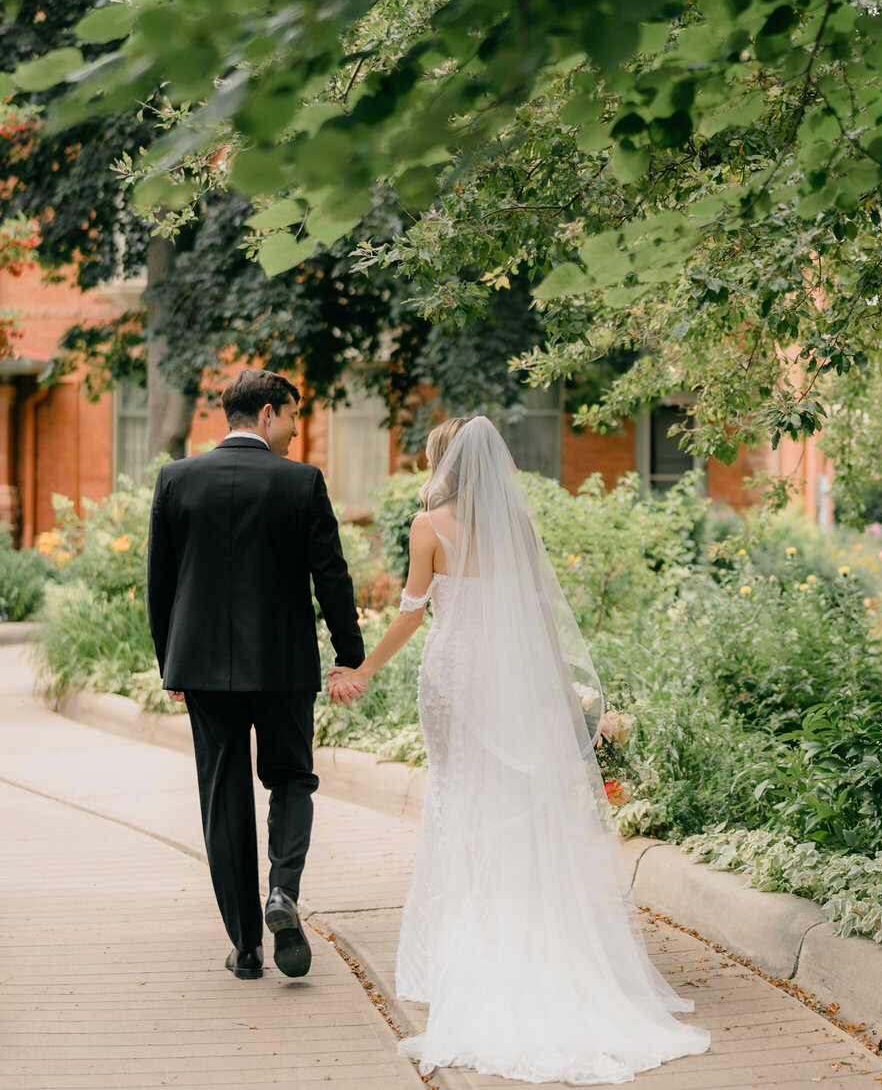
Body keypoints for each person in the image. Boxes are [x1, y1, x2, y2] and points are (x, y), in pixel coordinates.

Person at [330, 416, 709, 1084]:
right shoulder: (519, 529)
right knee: (506, 800)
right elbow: (537, 614)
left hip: (451, 678)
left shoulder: (429, 526)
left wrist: (362, 668)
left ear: (445, 467)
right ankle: (516, 935)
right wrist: (563, 693)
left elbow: (413, 611)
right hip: (505, 679)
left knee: (453, 798)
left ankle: (460, 953)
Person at [146, 369, 366, 982]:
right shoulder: (301, 483)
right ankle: (282, 893)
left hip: (203, 667)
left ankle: (245, 947)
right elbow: (332, 577)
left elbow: (160, 584)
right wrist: (349, 653)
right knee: (292, 778)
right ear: (268, 414)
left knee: (223, 796)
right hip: (284, 664)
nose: (296, 432)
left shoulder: (176, 479)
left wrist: (172, 664)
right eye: (294, 417)